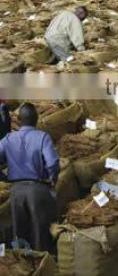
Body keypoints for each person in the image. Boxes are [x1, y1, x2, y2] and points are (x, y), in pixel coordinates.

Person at [0, 103, 59, 252]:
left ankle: (27, 265)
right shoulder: (42, 137)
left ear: (18, 120)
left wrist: (3, 176)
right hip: (38, 190)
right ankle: (44, 263)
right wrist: (52, 177)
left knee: (21, 235)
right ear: (37, 119)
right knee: (40, 234)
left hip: (16, 192)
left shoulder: (8, 139)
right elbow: (52, 162)